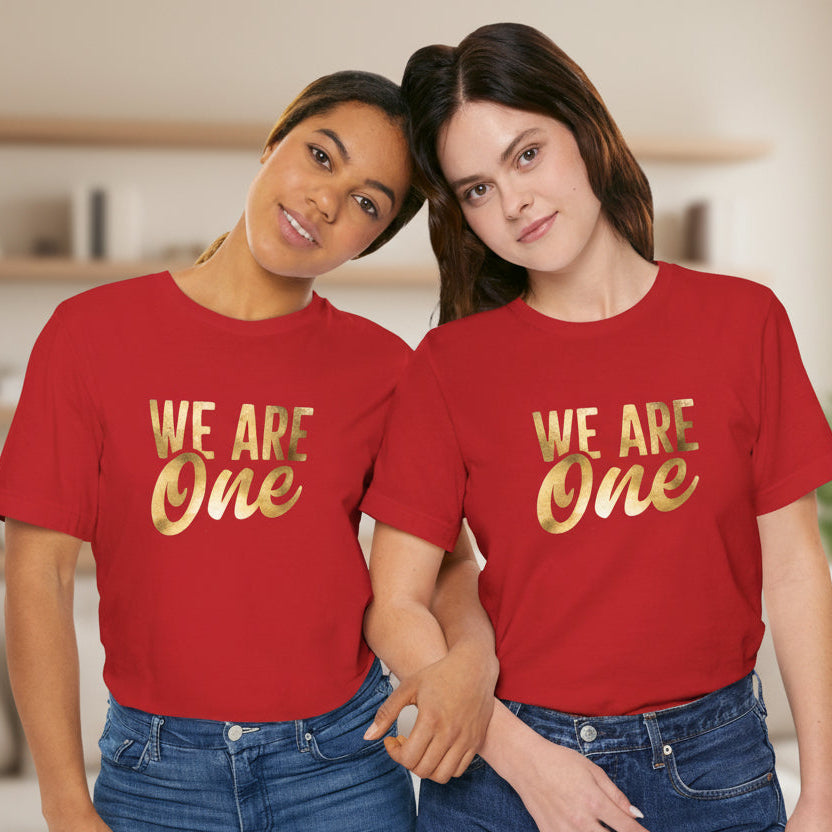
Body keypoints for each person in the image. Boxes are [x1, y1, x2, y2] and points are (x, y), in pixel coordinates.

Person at [359, 23, 832, 832]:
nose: (513, 202)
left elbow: (792, 570)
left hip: (714, 762)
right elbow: (394, 602)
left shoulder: (741, 322)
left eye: (527, 154)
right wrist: (526, 761)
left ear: (584, 129)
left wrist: (822, 789)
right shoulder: (449, 365)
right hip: (506, 772)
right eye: (476, 189)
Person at [0, 69, 430, 832]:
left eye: (368, 203)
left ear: (373, 241)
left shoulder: (387, 370)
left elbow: (441, 558)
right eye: (321, 156)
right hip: (155, 775)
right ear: (273, 145)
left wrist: (466, 666)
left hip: (343, 770)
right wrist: (64, 799)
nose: (326, 201)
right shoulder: (89, 336)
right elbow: (38, 572)